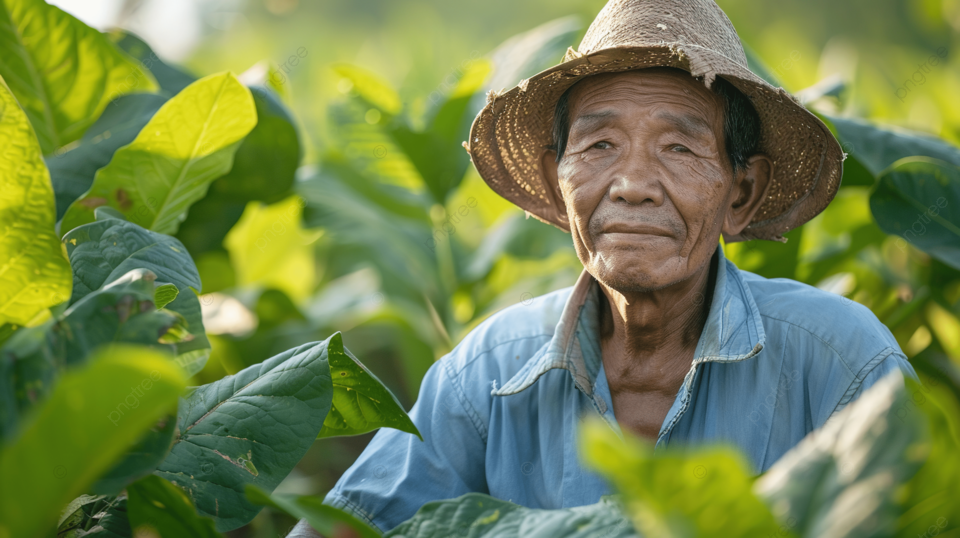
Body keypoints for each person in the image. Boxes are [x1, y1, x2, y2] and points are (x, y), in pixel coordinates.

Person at [289, 0, 917, 535]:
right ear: (554, 183)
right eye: (599, 145)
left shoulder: (842, 364)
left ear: (741, 192)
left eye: (679, 147)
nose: (633, 185)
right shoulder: (482, 379)